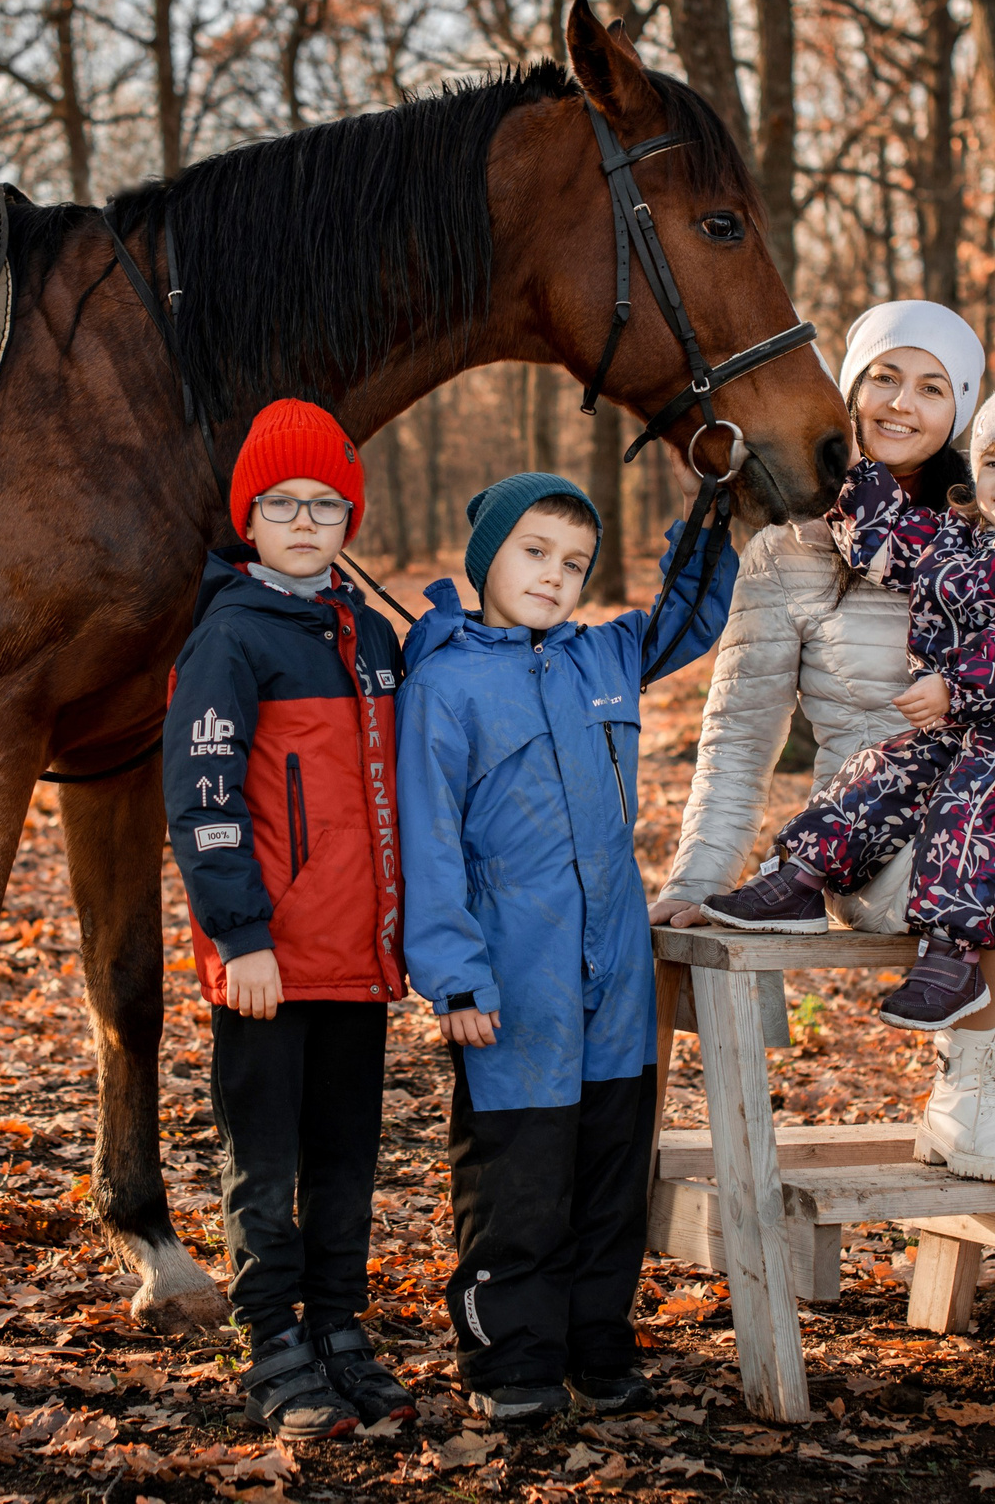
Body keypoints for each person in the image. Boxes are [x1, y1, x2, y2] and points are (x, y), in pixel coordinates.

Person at [652, 302, 995, 1191]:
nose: (902, 403)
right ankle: (963, 1084)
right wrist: (699, 878)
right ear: (847, 393)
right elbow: (739, 733)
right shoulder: (791, 550)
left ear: (960, 411)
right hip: (879, 828)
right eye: (884, 377)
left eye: (933, 387)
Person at [398, 472, 736, 1424]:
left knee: (608, 1169)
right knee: (522, 1178)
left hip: (617, 965)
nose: (554, 575)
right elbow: (426, 840)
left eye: (575, 563)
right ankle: (515, 1361)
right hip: (513, 971)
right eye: (533, 552)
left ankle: (599, 1344)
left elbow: (694, 609)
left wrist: (715, 508)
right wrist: (456, 975)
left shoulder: (608, 657)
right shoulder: (445, 682)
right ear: (487, 559)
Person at [162, 398, 413, 1441]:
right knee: (264, 1155)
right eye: (281, 503)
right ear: (249, 516)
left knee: (348, 1151)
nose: (305, 521)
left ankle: (339, 1325)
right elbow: (202, 797)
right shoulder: (229, 638)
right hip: (270, 957)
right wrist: (240, 934)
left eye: (325, 503)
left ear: (349, 518)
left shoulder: (375, 639)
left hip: (359, 954)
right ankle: (271, 1337)